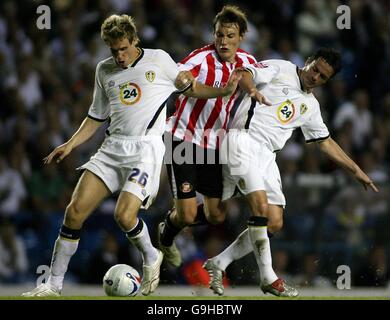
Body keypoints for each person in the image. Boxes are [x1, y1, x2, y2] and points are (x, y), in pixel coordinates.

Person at [22, 14, 240, 297]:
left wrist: (222, 91)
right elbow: (96, 116)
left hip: (145, 149)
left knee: (124, 216)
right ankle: (53, 284)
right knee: (73, 213)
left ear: (135, 40)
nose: (120, 56)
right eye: (114, 51)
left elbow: (191, 87)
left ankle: (151, 256)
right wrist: (70, 144)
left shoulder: (159, 60)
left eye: (124, 49)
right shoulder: (104, 70)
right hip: (113, 148)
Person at [203, 48, 379, 297]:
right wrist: (252, 89)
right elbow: (244, 74)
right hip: (243, 140)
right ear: (307, 61)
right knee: (257, 208)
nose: (315, 77)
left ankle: (219, 262)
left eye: (323, 77)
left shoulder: (311, 106)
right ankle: (268, 277)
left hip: (267, 157)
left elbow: (325, 142)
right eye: (315, 69)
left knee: (273, 221)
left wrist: (356, 170)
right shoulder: (281, 68)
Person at [158, 5, 264, 269]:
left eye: (230, 36)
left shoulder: (248, 63)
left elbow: (267, 76)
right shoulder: (199, 59)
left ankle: (170, 223)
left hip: (214, 145)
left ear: (241, 36)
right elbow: (182, 81)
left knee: (217, 215)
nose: (223, 41)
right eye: (219, 35)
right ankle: (166, 235)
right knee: (188, 213)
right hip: (183, 139)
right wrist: (221, 91)